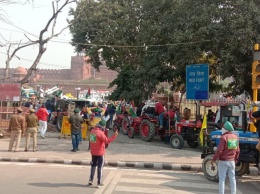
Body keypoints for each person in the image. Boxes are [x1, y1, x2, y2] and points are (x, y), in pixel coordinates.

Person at [211, 121, 240, 194]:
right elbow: (238, 151)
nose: (222, 129)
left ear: (226, 129)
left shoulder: (223, 137)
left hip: (223, 161)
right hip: (232, 161)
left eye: (223, 127)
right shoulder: (235, 137)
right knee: (232, 179)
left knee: (222, 179)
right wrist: (235, 159)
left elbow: (219, 150)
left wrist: (213, 159)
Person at [89, 119, 118, 188]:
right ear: (102, 126)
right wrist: (114, 136)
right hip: (100, 153)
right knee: (100, 167)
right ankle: (99, 182)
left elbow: (92, 142)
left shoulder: (92, 131)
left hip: (93, 152)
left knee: (93, 166)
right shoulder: (100, 133)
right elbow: (107, 141)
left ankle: (91, 179)